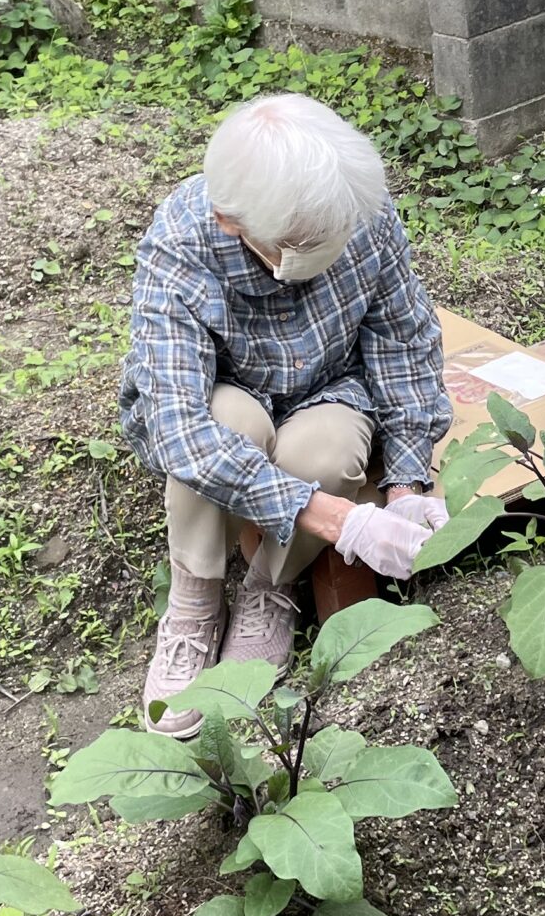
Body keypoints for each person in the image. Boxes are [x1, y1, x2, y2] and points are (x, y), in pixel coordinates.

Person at [120, 93, 451, 734]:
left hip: (329, 387)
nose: (328, 247)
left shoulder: (358, 210)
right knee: (228, 427)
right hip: (226, 394)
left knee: (325, 452)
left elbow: (403, 341)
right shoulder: (182, 243)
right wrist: (340, 520)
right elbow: (179, 426)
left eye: (335, 236)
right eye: (303, 242)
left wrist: (407, 482)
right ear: (231, 221)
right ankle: (193, 604)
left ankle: (268, 591)